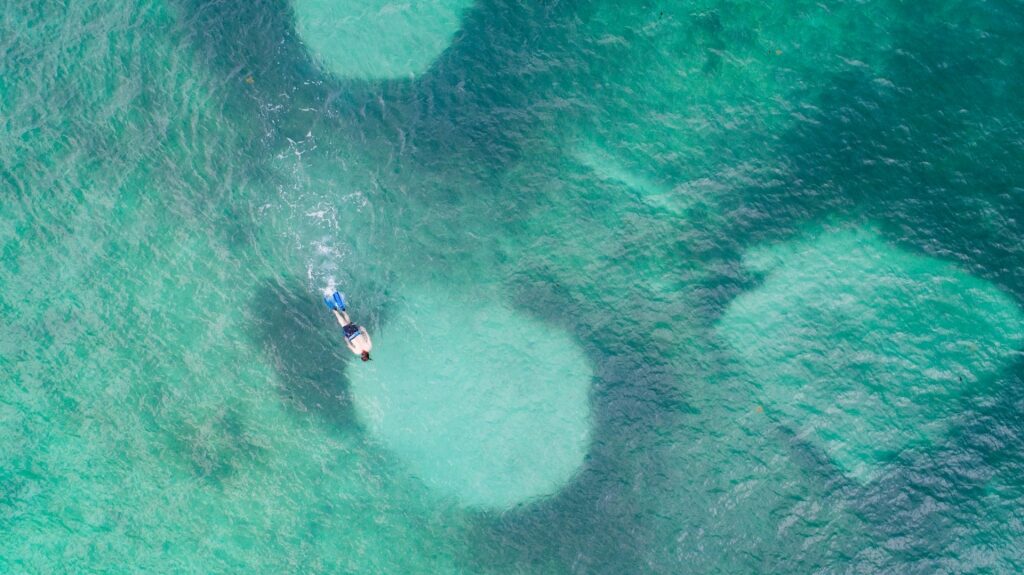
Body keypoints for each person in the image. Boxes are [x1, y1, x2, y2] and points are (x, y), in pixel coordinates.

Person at [324, 291, 373, 361]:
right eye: (363, 355)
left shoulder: (369, 347)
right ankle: (334, 309)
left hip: (356, 331)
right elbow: (349, 345)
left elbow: (367, 337)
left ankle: (342, 309)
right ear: (365, 355)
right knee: (342, 322)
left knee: (348, 321)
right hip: (350, 335)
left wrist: (363, 330)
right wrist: (346, 339)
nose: (362, 354)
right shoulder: (358, 352)